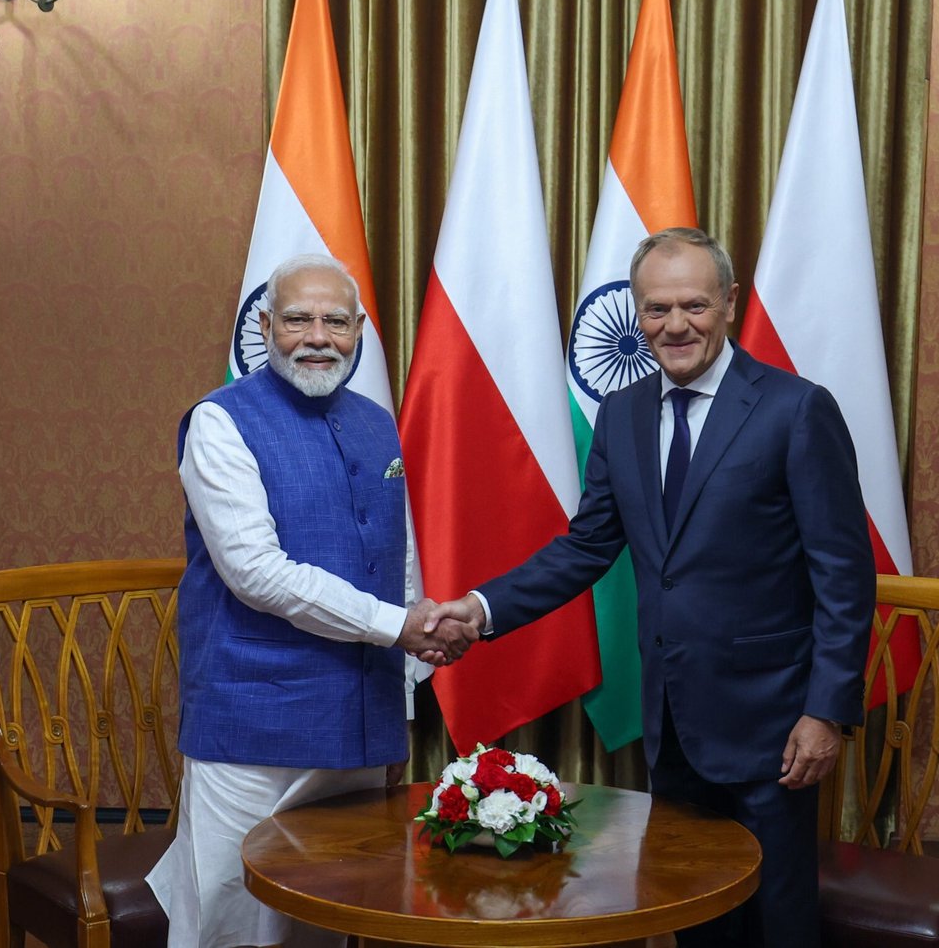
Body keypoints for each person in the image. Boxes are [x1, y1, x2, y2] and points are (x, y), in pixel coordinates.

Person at [430, 227, 877, 948]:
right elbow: (587, 545)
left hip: (774, 726)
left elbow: (845, 577)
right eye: (658, 308)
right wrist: (479, 610)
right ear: (636, 313)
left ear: (729, 303)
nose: (676, 325)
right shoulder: (624, 412)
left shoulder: (796, 410)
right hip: (672, 722)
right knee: (694, 911)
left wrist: (825, 711)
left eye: (695, 305)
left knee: (778, 920)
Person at [147, 254, 476, 948]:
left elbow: (401, 560)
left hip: (358, 726)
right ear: (265, 325)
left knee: (327, 920)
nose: (316, 335)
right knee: (229, 923)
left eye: (335, 320)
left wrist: (403, 698)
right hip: (250, 729)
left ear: (359, 330)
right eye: (297, 318)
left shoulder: (375, 422)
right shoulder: (219, 421)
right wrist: (400, 628)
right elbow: (257, 573)